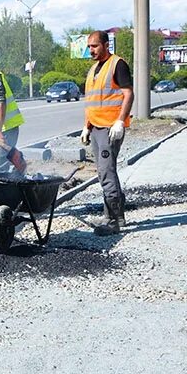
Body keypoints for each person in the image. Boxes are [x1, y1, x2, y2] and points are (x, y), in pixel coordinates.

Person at [81, 31, 134, 236]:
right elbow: (91, 101)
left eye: (94, 46)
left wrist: (120, 122)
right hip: (96, 127)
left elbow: (128, 93)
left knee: (106, 172)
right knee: (105, 170)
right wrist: (86, 126)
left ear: (105, 44)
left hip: (110, 128)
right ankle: (117, 215)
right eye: (89, 47)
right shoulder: (94, 69)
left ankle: (113, 221)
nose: (91, 50)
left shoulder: (117, 64)